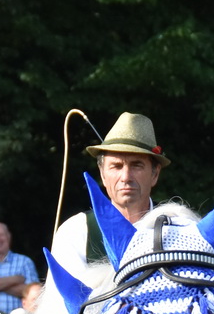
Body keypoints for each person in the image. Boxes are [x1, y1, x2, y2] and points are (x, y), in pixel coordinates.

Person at [49, 112, 167, 275]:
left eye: (136, 165)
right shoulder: (77, 232)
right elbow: (64, 299)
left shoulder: (178, 228)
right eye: (116, 166)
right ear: (103, 174)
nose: (125, 177)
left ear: (155, 174)